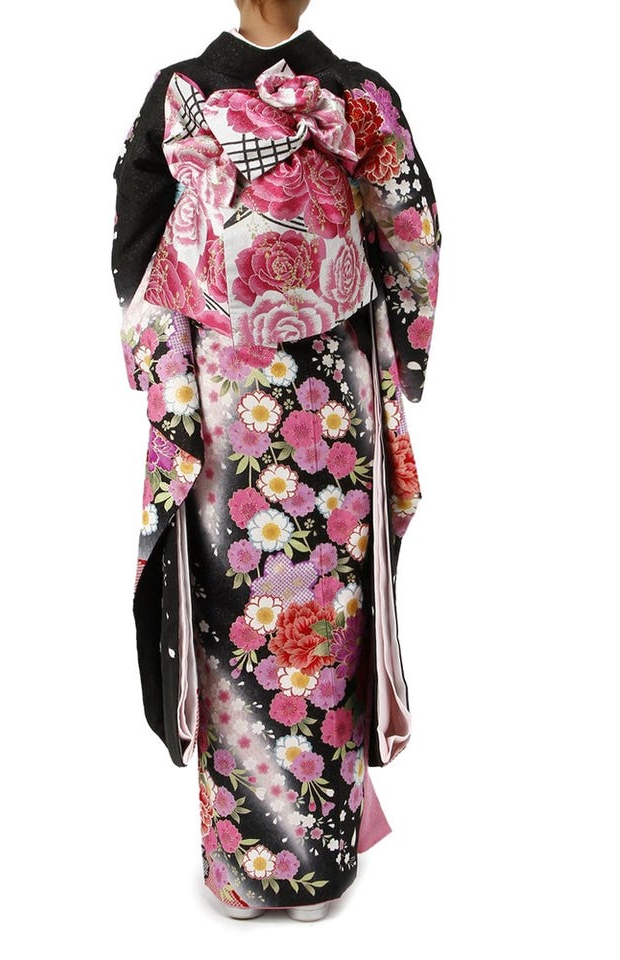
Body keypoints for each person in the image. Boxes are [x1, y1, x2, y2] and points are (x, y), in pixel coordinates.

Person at [110, 0, 441, 921]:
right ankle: (260, 859)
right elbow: (412, 236)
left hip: (259, 396)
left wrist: (157, 348)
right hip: (279, 398)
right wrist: (405, 348)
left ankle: (300, 858)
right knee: (257, 601)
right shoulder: (334, 92)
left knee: (302, 609)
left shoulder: (311, 93)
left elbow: (135, 240)